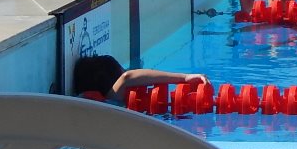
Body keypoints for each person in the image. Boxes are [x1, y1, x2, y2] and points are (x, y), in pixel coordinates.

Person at [73, 55, 208, 102]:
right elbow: (128, 77)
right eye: (123, 69)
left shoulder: (94, 102)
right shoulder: (113, 97)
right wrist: (184, 77)